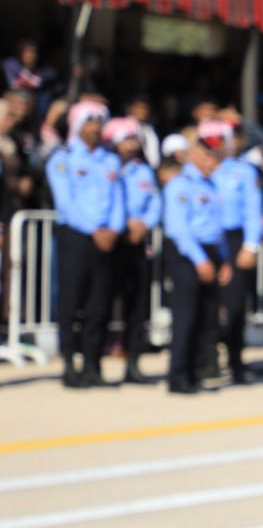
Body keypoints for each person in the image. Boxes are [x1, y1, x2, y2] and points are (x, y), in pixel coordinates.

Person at [45, 100, 122, 388]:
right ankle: (69, 364)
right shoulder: (63, 158)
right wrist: (94, 230)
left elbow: (117, 200)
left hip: (105, 239)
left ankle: (93, 365)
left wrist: (113, 229)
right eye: (89, 122)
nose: (95, 128)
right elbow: (65, 202)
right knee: (71, 301)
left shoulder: (110, 160)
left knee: (99, 304)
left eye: (99, 123)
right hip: (76, 236)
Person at [161, 126, 232, 394]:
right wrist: (200, 261)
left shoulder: (211, 185)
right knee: (186, 316)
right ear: (197, 155)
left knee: (205, 316)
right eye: (211, 157)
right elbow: (178, 229)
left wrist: (223, 259)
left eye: (218, 157)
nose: (215, 163)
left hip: (210, 252)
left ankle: (195, 372)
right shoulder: (180, 185)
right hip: (188, 254)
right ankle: (178, 376)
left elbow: (216, 227)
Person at [101, 116, 160, 384]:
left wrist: (144, 224)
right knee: (102, 303)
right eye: (127, 139)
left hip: (137, 242)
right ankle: (93, 365)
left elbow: (155, 201)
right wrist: (120, 224)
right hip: (111, 241)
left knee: (137, 305)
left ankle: (133, 363)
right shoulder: (104, 167)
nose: (132, 144)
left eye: (135, 139)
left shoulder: (143, 170)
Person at [210, 119, 263, 383]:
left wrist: (250, 246)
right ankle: (206, 361)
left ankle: (235, 361)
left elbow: (253, 210)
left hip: (234, 240)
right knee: (206, 304)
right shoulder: (202, 169)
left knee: (234, 305)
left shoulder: (244, 171)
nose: (227, 143)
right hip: (208, 240)